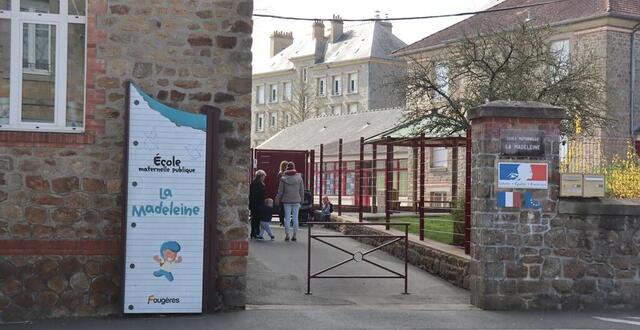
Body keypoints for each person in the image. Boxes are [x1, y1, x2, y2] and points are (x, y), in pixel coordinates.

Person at [275, 161, 304, 241]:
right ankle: (294, 235)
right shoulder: (299, 178)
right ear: (294, 168)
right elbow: (301, 190)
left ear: (287, 168)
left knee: (287, 218)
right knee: (295, 218)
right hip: (296, 200)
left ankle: (287, 234)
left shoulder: (283, 178)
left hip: (286, 200)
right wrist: (302, 200)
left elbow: (280, 191)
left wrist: (277, 200)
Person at [249, 169, 266, 239]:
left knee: (255, 218)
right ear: (260, 176)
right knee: (256, 219)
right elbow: (258, 194)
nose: (264, 177)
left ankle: (254, 232)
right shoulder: (258, 184)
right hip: (257, 204)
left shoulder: (254, 183)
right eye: (263, 176)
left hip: (254, 203)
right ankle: (254, 232)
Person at [276, 160, 288, 227]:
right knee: (285, 208)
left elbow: (278, 184)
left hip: (282, 193)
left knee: (282, 208)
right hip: (285, 193)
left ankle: (282, 221)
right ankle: (284, 221)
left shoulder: (280, 174)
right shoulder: (284, 174)